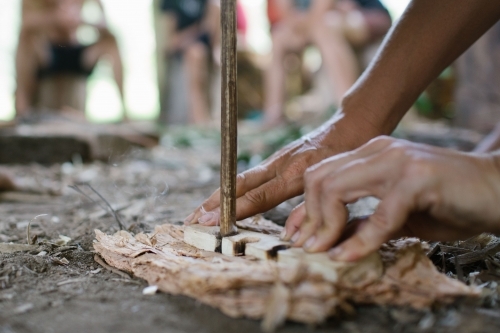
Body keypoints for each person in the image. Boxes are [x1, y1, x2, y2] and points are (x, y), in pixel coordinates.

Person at [185, 0, 500, 261]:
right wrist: (357, 119)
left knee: (327, 26)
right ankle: (275, 112)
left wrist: (490, 177)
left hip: (358, 16)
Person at [263, 0, 391, 126]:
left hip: (365, 13)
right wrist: (297, 28)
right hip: (318, 22)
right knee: (278, 37)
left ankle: (347, 110)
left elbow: (322, 10)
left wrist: (302, 30)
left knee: (324, 27)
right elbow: (286, 15)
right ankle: (274, 115)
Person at [15, 0, 125, 119]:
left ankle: (124, 110)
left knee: (111, 40)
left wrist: (81, 20)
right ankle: (22, 108)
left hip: (77, 53)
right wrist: (55, 18)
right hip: (48, 53)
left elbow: (104, 23)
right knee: (26, 40)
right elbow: (26, 23)